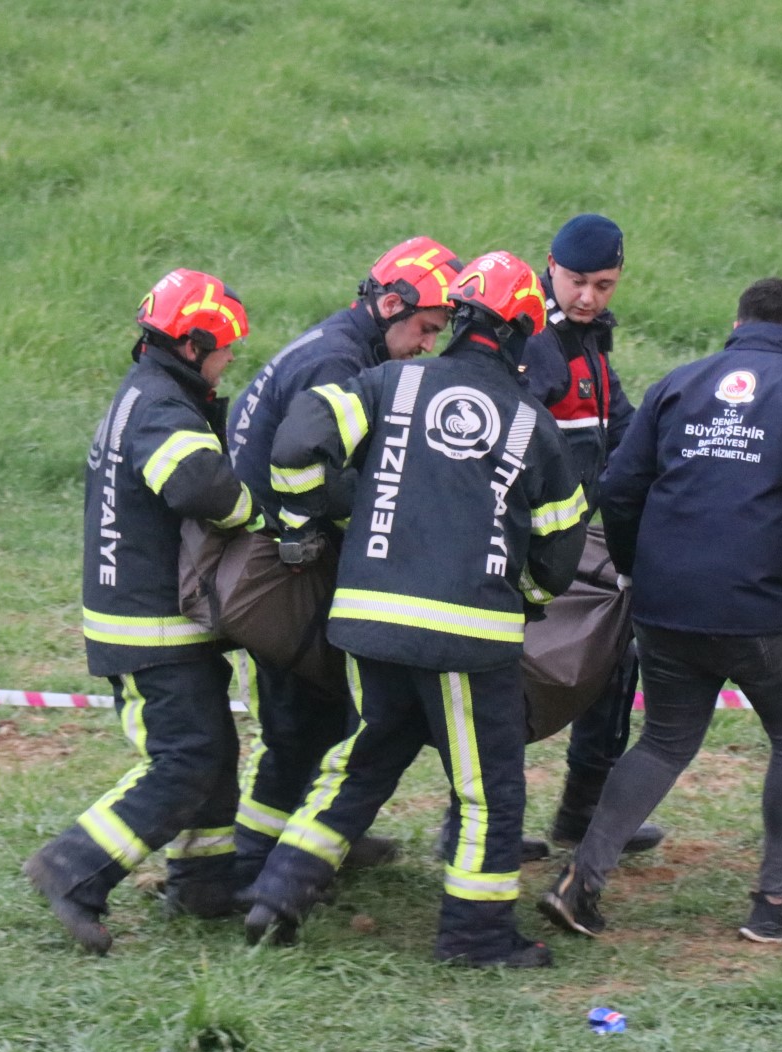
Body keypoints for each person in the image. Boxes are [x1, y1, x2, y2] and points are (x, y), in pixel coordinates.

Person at [243, 251, 589, 968]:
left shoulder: (387, 382)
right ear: (524, 333)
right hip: (467, 638)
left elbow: (299, 439)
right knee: (487, 789)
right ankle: (476, 938)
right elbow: (558, 557)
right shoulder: (533, 425)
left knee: (361, 760)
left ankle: (276, 894)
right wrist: (520, 597)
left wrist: (306, 518)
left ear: (458, 319)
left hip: (368, 623)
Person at [539, 277, 782, 945]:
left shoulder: (679, 383)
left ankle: (581, 880)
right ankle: (776, 902)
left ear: (737, 321)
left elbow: (620, 485)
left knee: (665, 739)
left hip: (665, 605)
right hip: (763, 609)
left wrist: (632, 566)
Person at [23, 269, 264, 954]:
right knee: (186, 757)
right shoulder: (161, 405)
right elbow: (198, 485)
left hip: (147, 616)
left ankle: (204, 881)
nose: (229, 360)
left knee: (213, 751)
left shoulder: (147, 392)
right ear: (191, 345)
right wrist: (256, 512)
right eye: (223, 348)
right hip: (150, 624)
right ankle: (73, 867)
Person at [225, 237, 462, 890]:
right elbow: (307, 465)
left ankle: (311, 839)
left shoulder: (339, 344)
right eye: (423, 329)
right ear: (390, 304)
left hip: (268, 555)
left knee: (319, 717)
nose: (425, 346)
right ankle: (250, 867)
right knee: (296, 723)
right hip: (278, 566)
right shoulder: (337, 364)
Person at [519, 213, 661, 857]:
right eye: (577, 281)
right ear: (550, 264)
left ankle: (583, 812)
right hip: (522, 540)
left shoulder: (591, 340)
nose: (588, 297)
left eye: (604, 285)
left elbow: (621, 426)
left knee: (616, 655)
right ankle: (466, 825)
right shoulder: (532, 341)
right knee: (498, 682)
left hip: (574, 536)